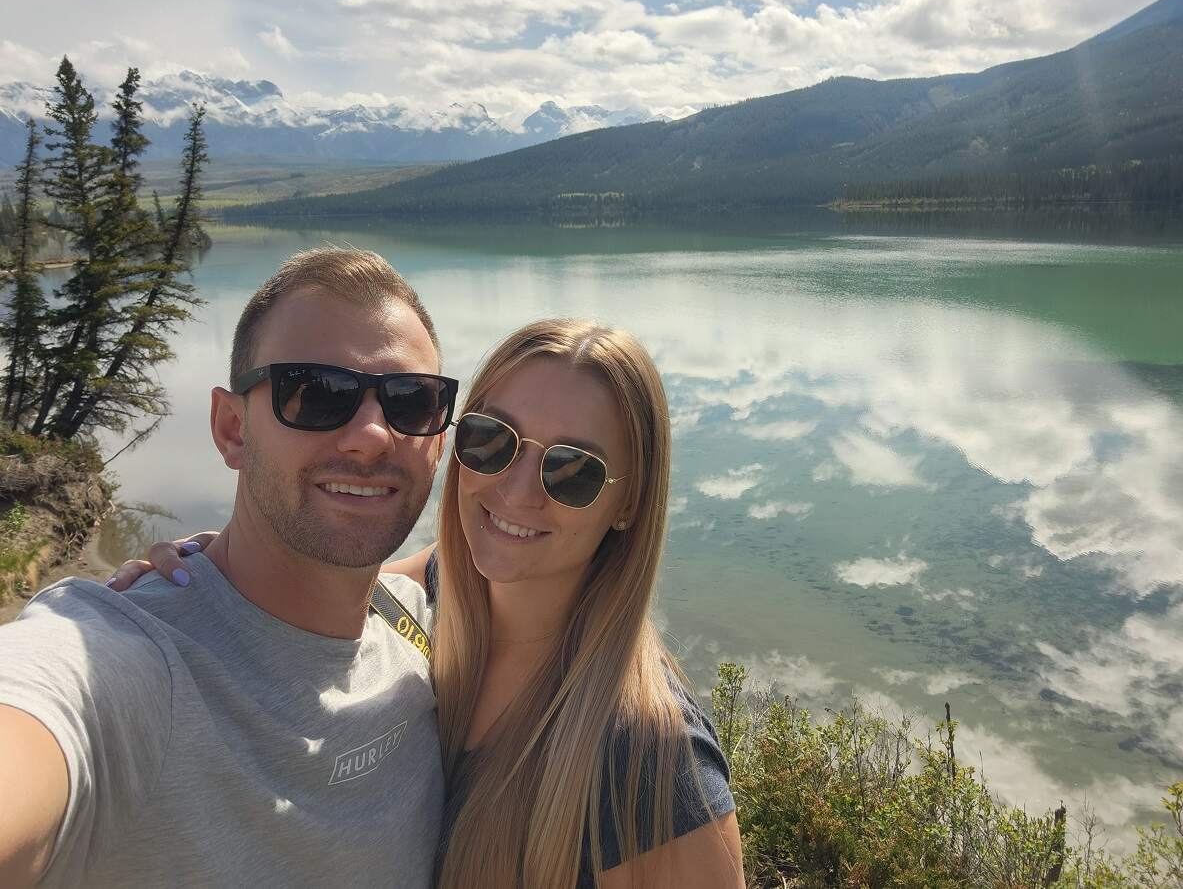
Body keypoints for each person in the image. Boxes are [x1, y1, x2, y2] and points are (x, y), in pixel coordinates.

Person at [118, 319, 746, 888]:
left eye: (573, 470)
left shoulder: (652, 763)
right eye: (491, 441)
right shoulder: (438, 592)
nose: (517, 491)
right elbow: (325, 584)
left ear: (629, 503)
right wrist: (218, 567)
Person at [0, 248, 454, 886]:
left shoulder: (417, 624)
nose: (372, 435)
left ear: (437, 442)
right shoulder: (128, 665)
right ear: (232, 427)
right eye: (318, 393)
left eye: (411, 400)